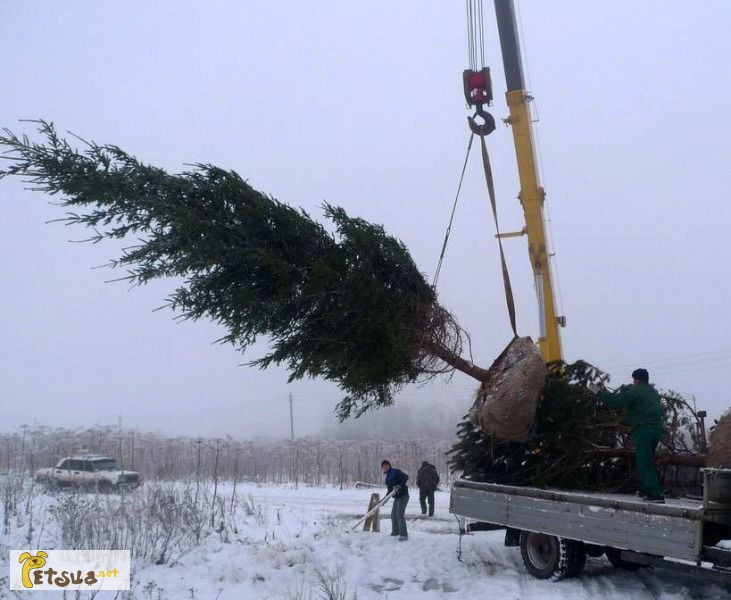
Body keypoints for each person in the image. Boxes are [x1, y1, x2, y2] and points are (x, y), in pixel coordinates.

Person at [593, 368, 665, 503]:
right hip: (655, 430)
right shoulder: (652, 392)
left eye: (634, 379)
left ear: (637, 379)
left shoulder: (637, 391)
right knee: (647, 460)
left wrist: (599, 393)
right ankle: (646, 490)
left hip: (644, 430)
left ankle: (656, 495)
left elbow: (617, 401)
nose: (633, 381)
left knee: (644, 462)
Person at [381, 460, 409, 540]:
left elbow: (406, 477)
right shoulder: (387, 478)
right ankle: (396, 532)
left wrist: (399, 486)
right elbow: (390, 491)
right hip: (397, 497)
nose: (385, 467)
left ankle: (404, 535)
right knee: (393, 515)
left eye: (386, 465)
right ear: (382, 468)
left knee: (399, 515)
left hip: (403, 496)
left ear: (389, 466)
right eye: (383, 466)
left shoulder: (395, 472)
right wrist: (384, 500)